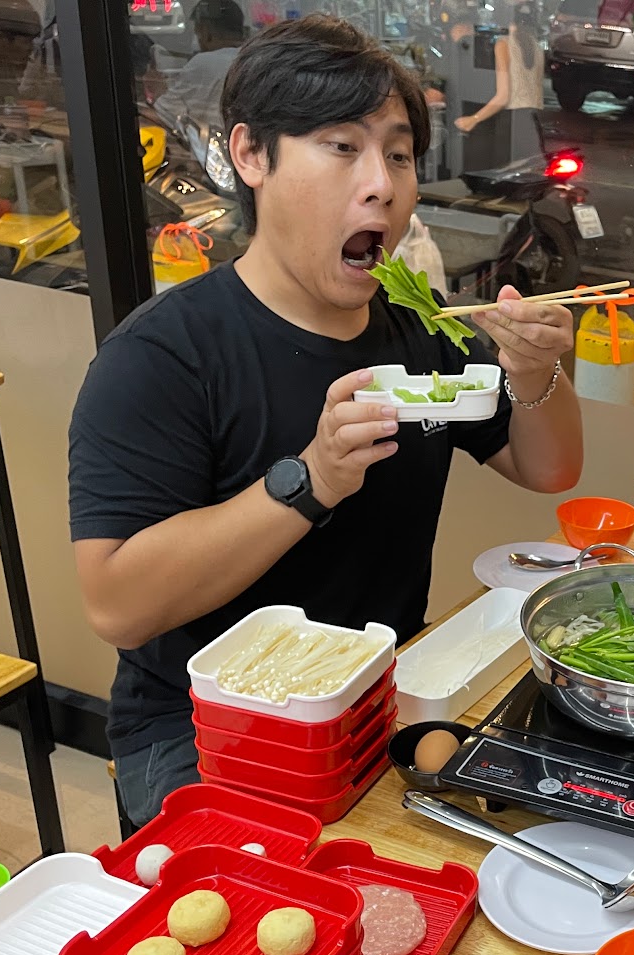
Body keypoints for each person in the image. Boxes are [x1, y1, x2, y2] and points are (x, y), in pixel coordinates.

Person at [69, 15, 585, 827]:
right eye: (341, 147)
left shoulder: (420, 327)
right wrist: (309, 482)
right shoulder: (165, 355)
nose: (381, 183)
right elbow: (117, 605)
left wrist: (536, 370)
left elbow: (546, 468)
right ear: (250, 156)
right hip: (209, 729)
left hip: (381, 691)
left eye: (400, 153)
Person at [454, 2, 545, 163]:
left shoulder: (504, 44)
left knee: (504, 176)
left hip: (511, 123)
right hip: (533, 121)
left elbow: (503, 97)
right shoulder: (535, 45)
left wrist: (473, 119)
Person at [154, 0, 247, 139]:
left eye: (197, 33)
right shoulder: (254, 58)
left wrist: (157, 91)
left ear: (205, 30)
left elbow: (162, 115)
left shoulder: (205, 63)